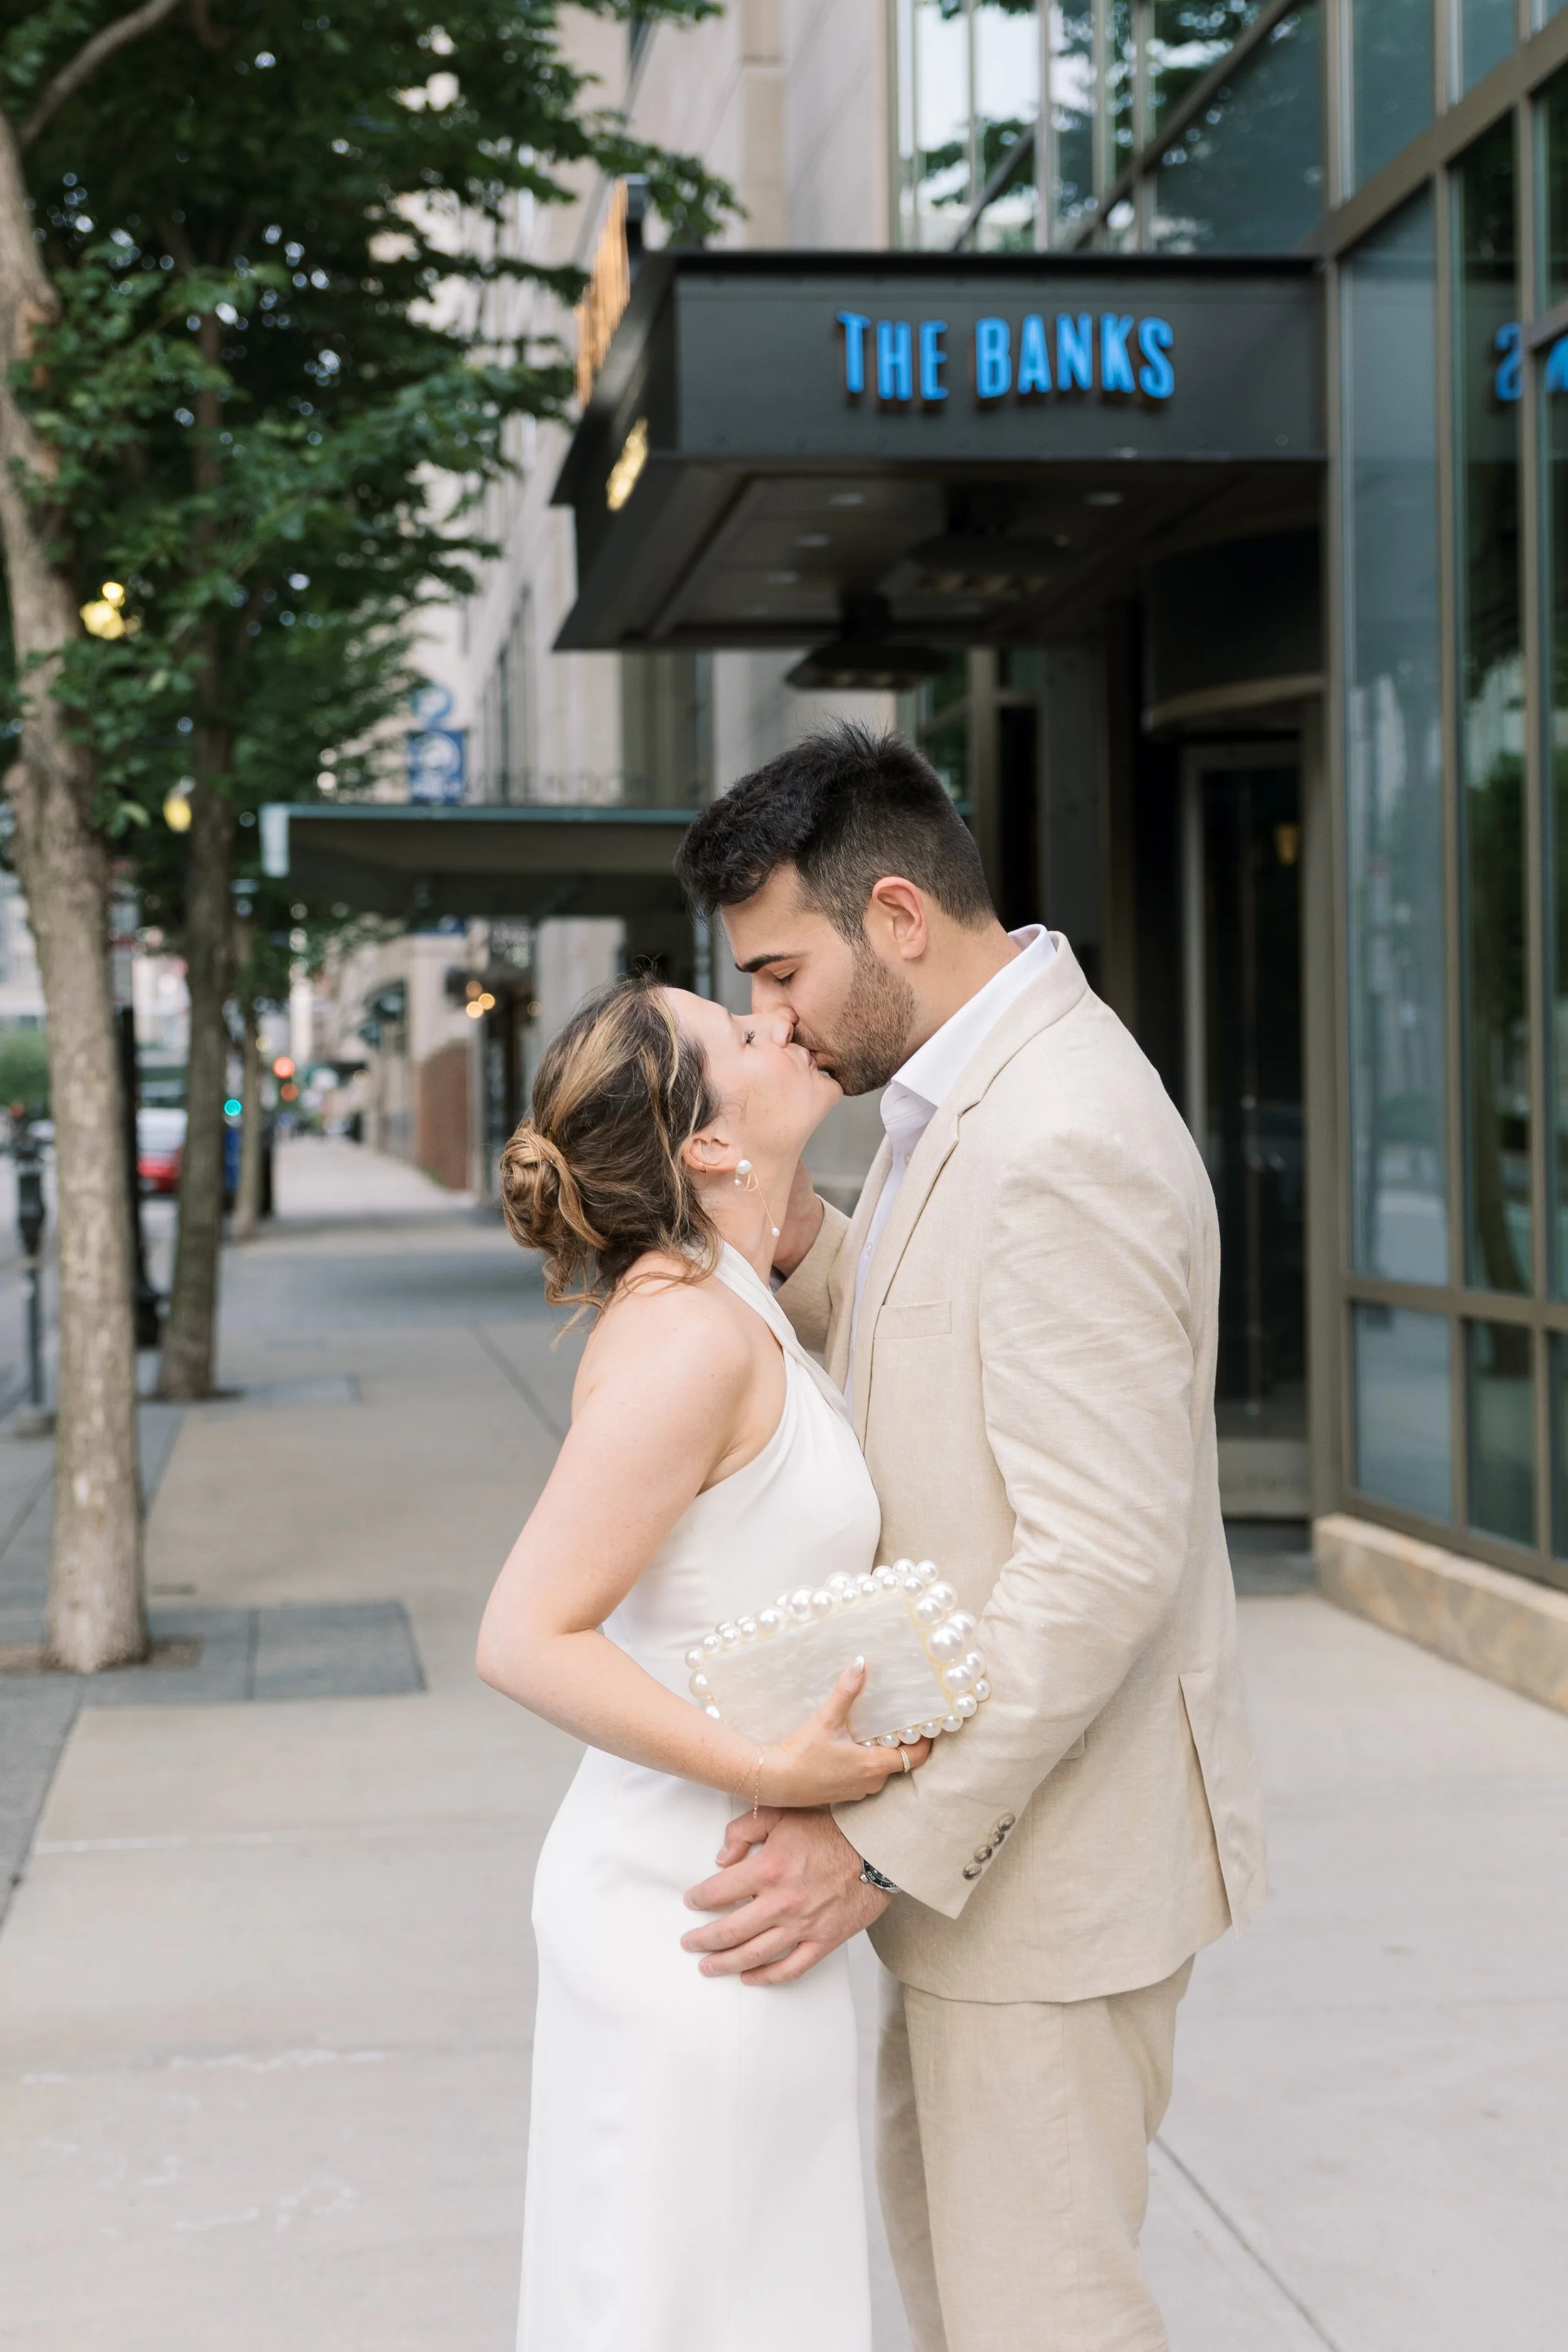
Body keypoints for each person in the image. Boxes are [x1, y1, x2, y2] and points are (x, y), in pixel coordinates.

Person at [674, 723, 1268, 2352]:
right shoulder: (971, 1093)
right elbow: (954, 1335)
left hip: (1046, 1869)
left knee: (1035, 2315)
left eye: (783, 970)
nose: (773, 1016)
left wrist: (871, 1845)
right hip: (986, 1858)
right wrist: (799, 1238)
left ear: (894, 913)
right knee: (965, 2299)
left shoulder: (1062, 1129)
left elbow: (1096, 1564)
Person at [477, 977, 931, 2352]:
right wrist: (764, 1767)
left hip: (736, 1904)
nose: (776, 1023)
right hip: (688, 1911)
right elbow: (523, 1635)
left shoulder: (733, 1303)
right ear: (709, 1150)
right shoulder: (684, 1334)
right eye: (740, 1035)